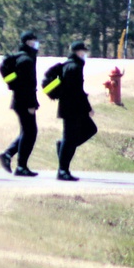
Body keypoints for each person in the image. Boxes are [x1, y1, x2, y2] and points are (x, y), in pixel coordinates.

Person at [0, 30, 40, 177]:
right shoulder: (26, 60)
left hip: (19, 100)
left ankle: (8, 155)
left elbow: (18, 82)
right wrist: (31, 104)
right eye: (32, 41)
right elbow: (26, 85)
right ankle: (20, 166)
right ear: (26, 42)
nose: (36, 44)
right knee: (30, 132)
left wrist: (12, 85)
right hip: (24, 101)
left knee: (27, 132)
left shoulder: (24, 57)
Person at [56, 41, 97, 181]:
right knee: (69, 139)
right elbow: (77, 91)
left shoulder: (70, 65)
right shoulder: (74, 67)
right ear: (77, 52)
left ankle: (62, 148)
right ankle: (63, 171)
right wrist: (88, 108)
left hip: (72, 107)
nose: (85, 54)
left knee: (90, 129)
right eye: (83, 51)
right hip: (72, 108)